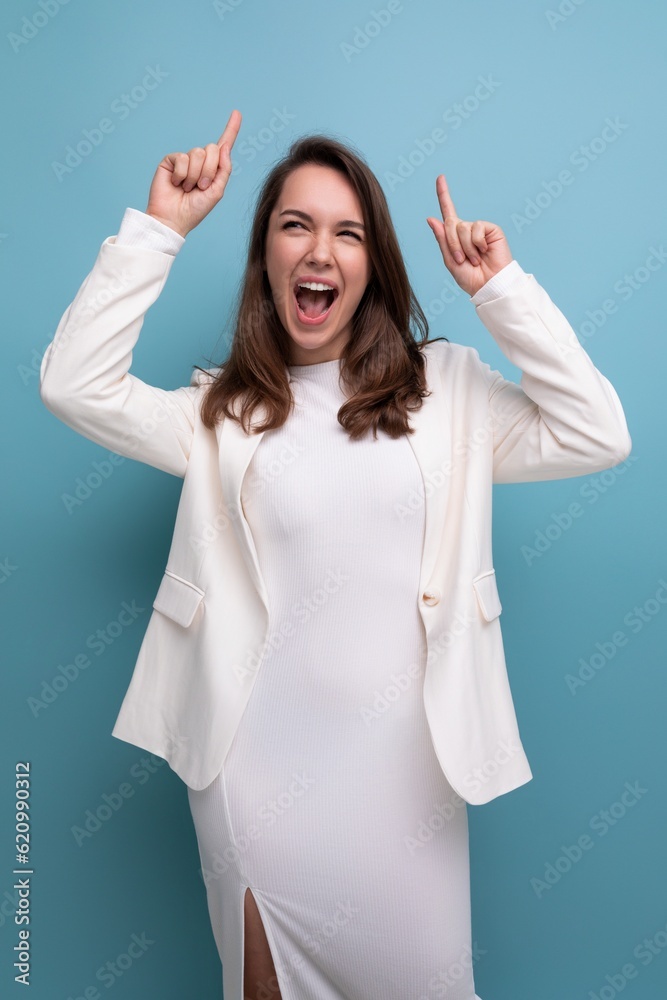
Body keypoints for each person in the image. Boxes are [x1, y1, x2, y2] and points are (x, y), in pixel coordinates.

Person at [39, 109, 631, 1000]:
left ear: (372, 267)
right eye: (295, 225)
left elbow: (598, 434)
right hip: (254, 778)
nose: (319, 250)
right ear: (266, 259)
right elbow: (72, 383)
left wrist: (498, 290)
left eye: (347, 233)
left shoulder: (450, 394)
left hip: (408, 788)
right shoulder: (218, 416)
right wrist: (157, 228)